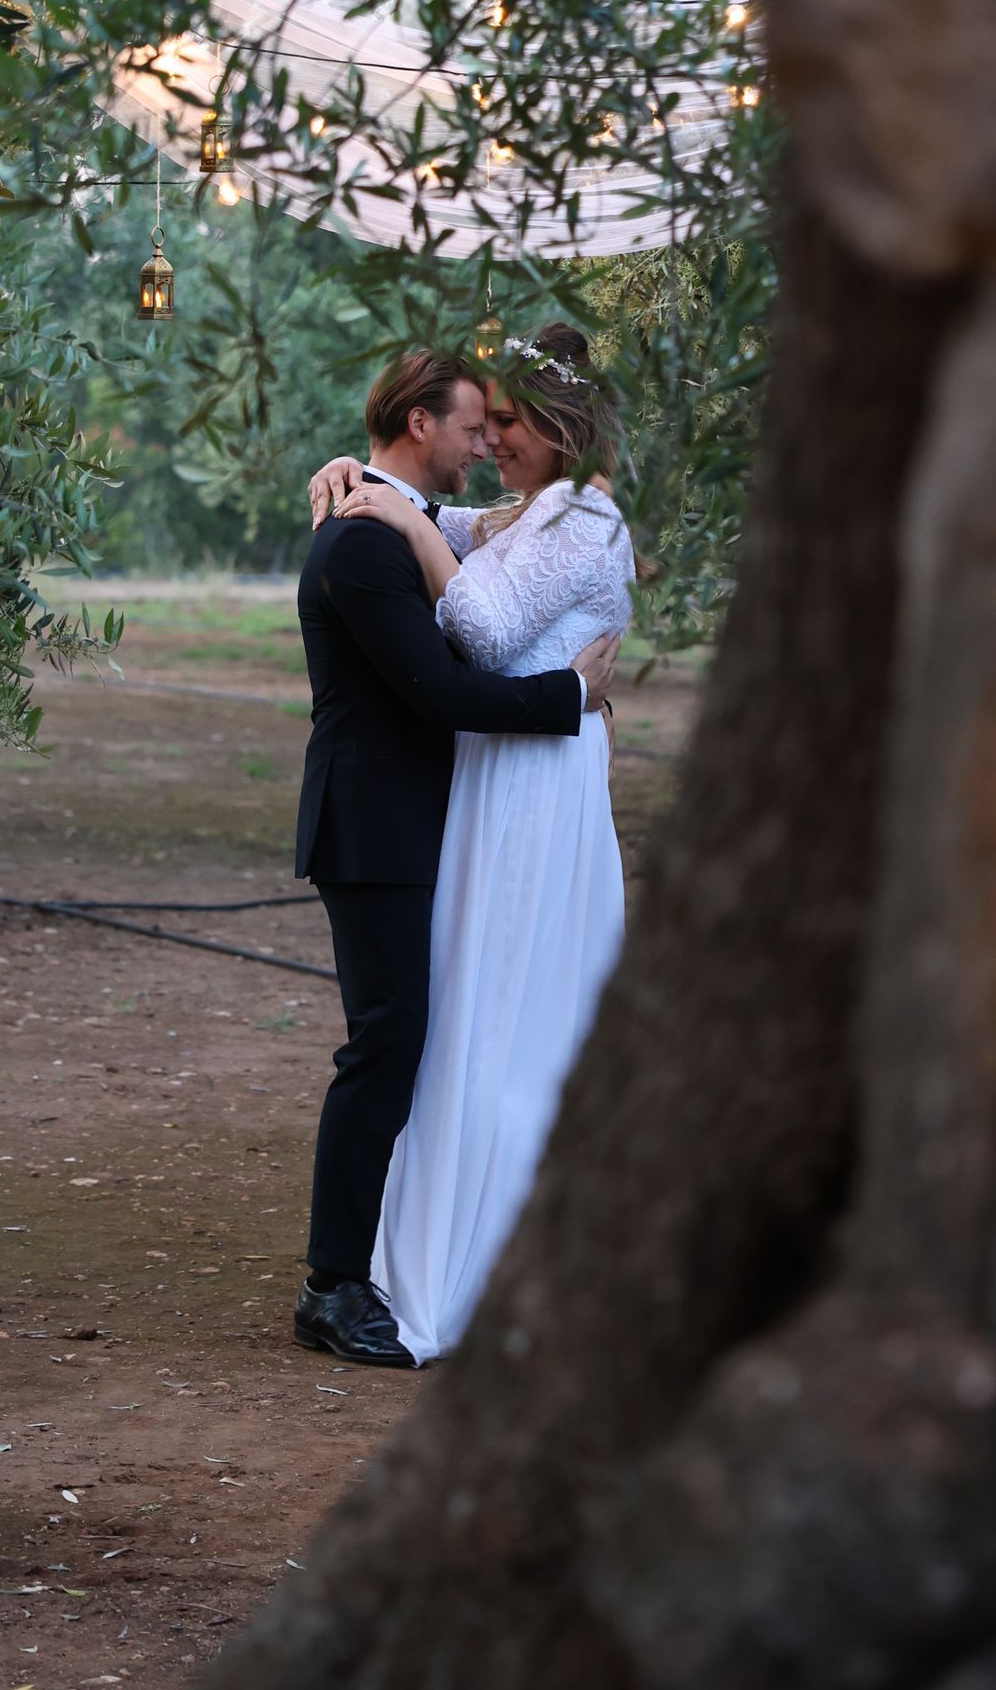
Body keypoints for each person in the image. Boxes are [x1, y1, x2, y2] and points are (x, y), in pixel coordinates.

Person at [305, 322, 635, 1363]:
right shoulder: (501, 518)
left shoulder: (577, 516)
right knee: (438, 1030)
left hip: (525, 793)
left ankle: (478, 1256)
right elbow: (445, 548)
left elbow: (479, 614)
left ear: (554, 427)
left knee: (505, 1022)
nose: (489, 440)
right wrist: (362, 475)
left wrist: (406, 515)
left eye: (505, 424)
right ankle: (369, 1272)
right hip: (460, 795)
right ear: (424, 424)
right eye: (477, 423)